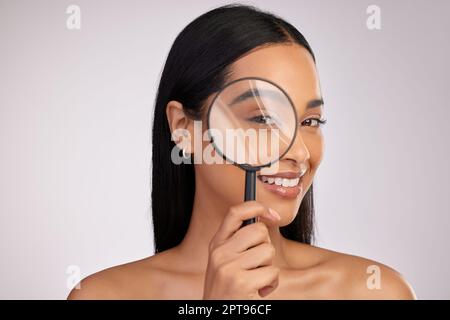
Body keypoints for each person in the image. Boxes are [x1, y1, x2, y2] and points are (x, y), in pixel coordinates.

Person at [68, 4, 416, 300]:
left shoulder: (374, 291)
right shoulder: (103, 295)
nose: (297, 150)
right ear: (184, 128)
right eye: (264, 118)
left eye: (310, 121)